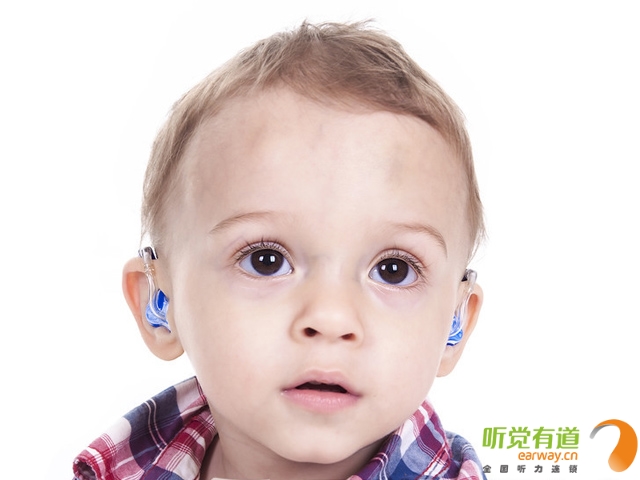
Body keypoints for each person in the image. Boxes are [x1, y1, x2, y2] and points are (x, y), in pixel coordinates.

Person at [73, 20, 486, 480]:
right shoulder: (127, 466)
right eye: (266, 261)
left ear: (455, 323)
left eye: (393, 269)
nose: (330, 318)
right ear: (159, 303)